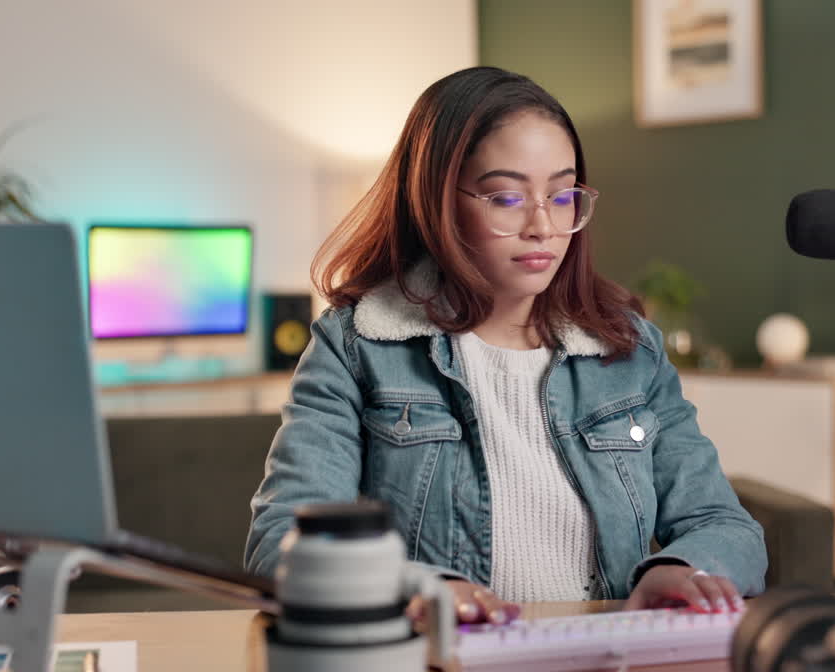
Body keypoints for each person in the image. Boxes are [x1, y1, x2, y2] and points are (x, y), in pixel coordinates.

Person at [245, 66, 767, 626]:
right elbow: (281, 545)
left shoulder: (629, 349)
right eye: (506, 197)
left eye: (562, 194)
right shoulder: (356, 346)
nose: (544, 225)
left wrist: (681, 567)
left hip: (605, 665)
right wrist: (419, 589)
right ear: (437, 201)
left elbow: (728, 529)